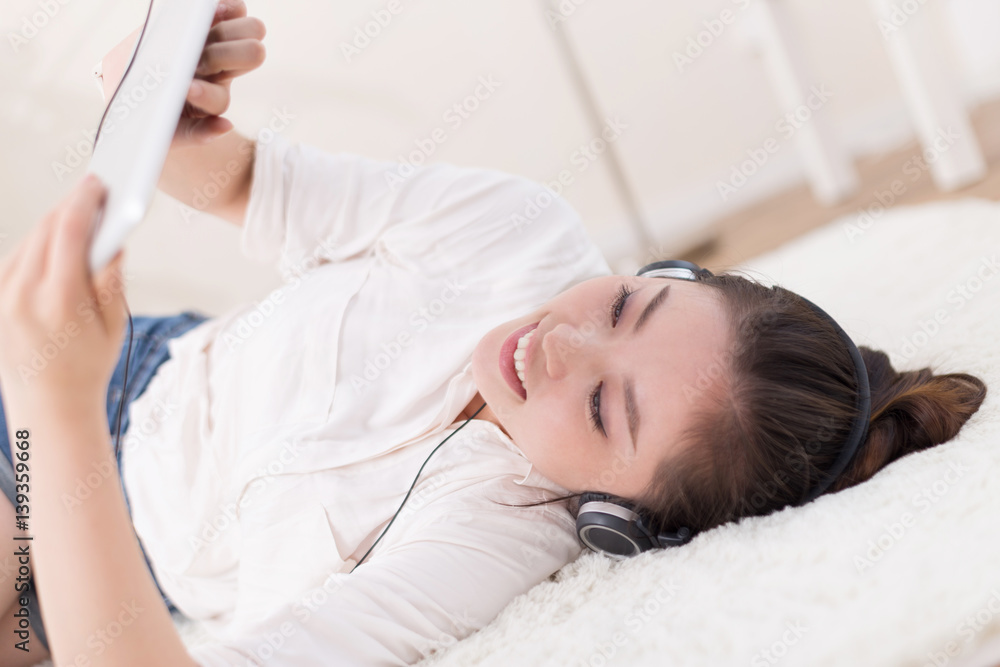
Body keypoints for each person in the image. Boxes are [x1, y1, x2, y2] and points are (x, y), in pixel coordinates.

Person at [0, 2, 987, 666]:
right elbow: (235, 187)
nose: (559, 344)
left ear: (617, 518)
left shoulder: (485, 545)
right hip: (136, 370)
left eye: (603, 408)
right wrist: (166, 108)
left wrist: (52, 403)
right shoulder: (518, 234)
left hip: (104, 512)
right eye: (622, 308)